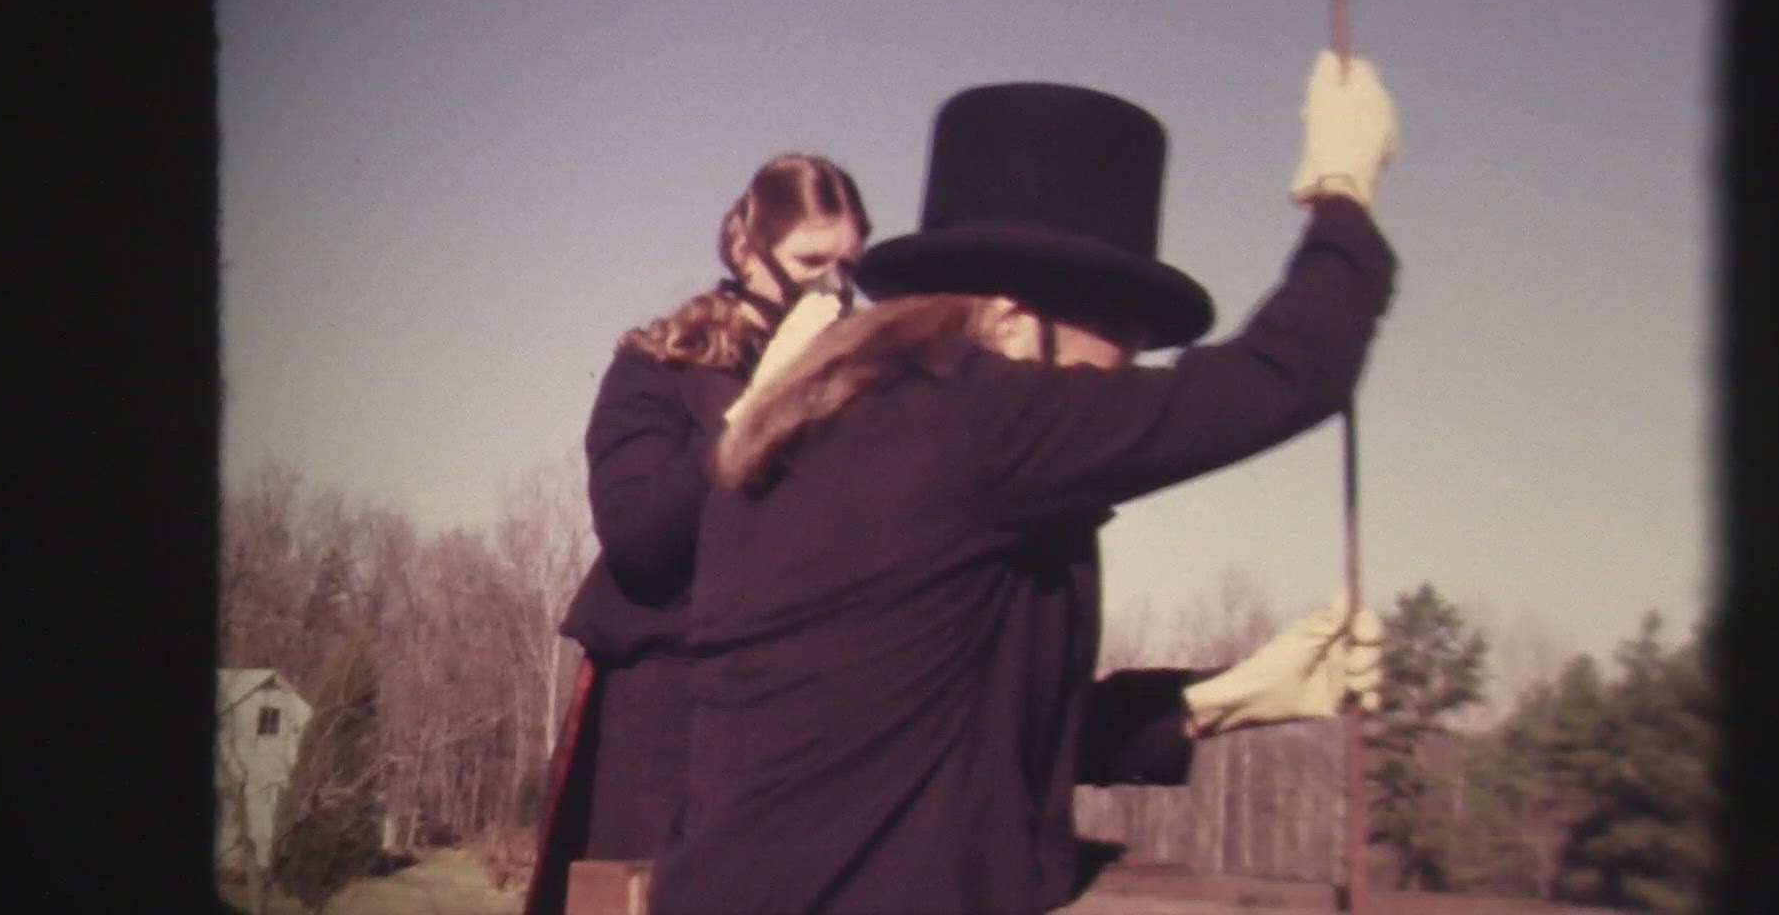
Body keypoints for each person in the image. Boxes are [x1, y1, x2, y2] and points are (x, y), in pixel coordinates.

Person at [647, 52, 1400, 915]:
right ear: (1008, 322)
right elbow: (1284, 378)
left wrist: (1233, 697)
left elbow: (950, 729)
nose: (1115, 385)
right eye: (1112, 346)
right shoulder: (969, 425)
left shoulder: (843, 429)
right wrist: (1343, 193)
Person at [522, 152, 871, 915]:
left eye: (848, 268)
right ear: (747, 249)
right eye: (811, 263)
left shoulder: (855, 391)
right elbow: (641, 543)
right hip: (669, 711)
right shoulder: (658, 367)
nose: (832, 291)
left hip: (803, 713)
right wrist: (760, 400)